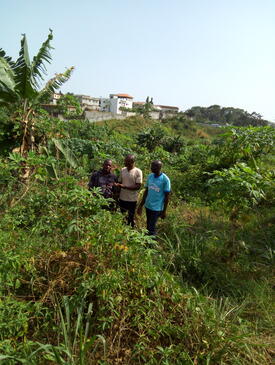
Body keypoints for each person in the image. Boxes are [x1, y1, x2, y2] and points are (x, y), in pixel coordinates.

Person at [137, 160, 170, 236]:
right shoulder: (150, 176)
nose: (152, 168)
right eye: (151, 166)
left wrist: (164, 211)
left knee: (151, 228)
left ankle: (150, 245)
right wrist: (141, 205)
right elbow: (146, 191)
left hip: (157, 208)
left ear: (159, 167)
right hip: (148, 206)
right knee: (148, 225)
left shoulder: (165, 180)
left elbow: (167, 197)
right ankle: (148, 243)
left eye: (154, 166)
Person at [115, 154, 142, 227]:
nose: (124, 163)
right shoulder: (123, 170)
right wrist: (117, 193)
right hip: (122, 198)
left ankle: (131, 232)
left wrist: (125, 186)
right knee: (123, 217)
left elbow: (138, 186)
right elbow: (120, 182)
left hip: (132, 200)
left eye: (126, 161)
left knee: (130, 217)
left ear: (132, 162)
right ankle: (123, 232)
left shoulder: (138, 171)